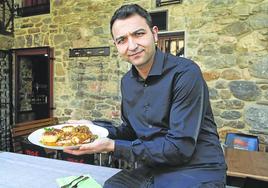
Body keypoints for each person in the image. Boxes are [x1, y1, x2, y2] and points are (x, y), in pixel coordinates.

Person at [64, 4, 227, 188]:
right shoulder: (127, 82)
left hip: (197, 169)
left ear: (155, 34)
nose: (132, 46)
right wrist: (93, 129)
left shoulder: (185, 73)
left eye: (138, 34)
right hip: (154, 166)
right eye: (122, 40)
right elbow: (130, 132)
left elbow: (180, 148)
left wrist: (112, 146)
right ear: (116, 45)